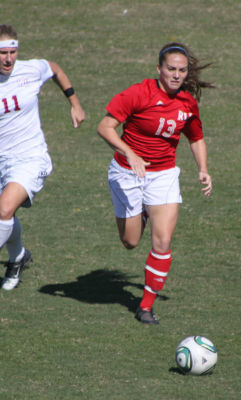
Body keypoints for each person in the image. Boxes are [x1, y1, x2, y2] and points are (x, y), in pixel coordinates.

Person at [0, 24, 85, 295]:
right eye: (2, 53)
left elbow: (55, 69)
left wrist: (74, 102)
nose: (9, 58)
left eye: (13, 52)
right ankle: (18, 258)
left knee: (3, 211)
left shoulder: (31, 69)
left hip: (30, 156)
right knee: (2, 216)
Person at [97, 42, 213, 324]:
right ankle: (143, 211)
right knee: (131, 241)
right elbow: (104, 127)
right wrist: (131, 154)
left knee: (163, 241)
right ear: (158, 69)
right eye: (170, 69)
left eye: (181, 70)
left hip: (163, 175)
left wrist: (203, 169)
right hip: (127, 173)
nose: (176, 75)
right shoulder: (139, 93)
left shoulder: (187, 103)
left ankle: (146, 306)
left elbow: (195, 138)